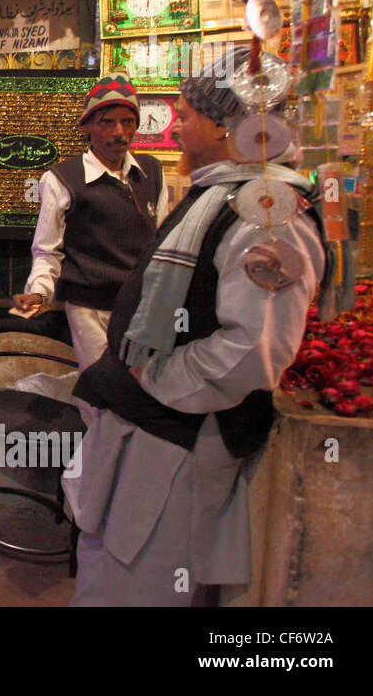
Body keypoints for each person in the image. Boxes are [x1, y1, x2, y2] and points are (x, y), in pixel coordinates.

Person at [63, 53, 326, 606]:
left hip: (176, 444)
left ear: (229, 125)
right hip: (152, 433)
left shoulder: (267, 214)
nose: (175, 127)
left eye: (184, 115)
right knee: (110, 568)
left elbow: (251, 352)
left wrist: (154, 376)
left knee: (140, 585)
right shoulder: (223, 196)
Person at [13, 76, 168, 373]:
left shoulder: (152, 172)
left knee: (140, 383)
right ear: (88, 126)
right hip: (90, 308)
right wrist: (38, 293)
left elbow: (160, 243)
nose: (118, 132)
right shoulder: (62, 179)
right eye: (107, 122)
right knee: (102, 386)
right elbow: (47, 251)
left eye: (127, 122)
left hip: (142, 305)